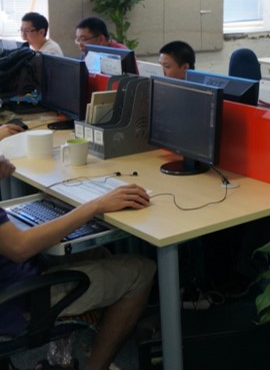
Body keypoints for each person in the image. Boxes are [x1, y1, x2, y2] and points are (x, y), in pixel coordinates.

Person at [0, 153, 155, 370]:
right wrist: (95, 206)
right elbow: (20, 248)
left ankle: (61, 360)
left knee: (98, 255)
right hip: (15, 299)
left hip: (14, 274)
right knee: (142, 271)